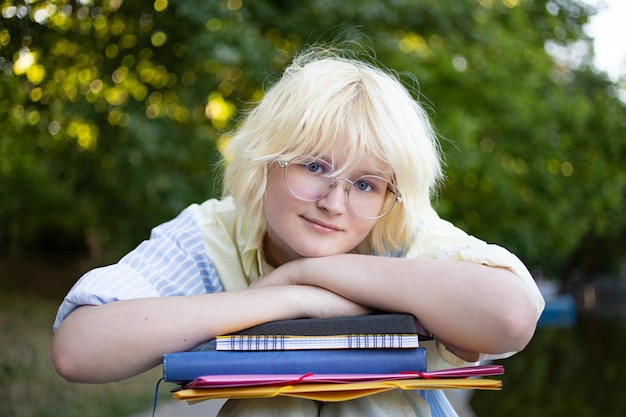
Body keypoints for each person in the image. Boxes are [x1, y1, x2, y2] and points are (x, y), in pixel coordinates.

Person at [51, 47, 545, 416]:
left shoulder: (400, 232)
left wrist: (314, 270)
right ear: (266, 159)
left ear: (388, 195)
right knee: (276, 399)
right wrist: (290, 297)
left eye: (366, 183)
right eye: (314, 165)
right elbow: (78, 350)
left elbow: (509, 313)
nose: (334, 203)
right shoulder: (214, 231)